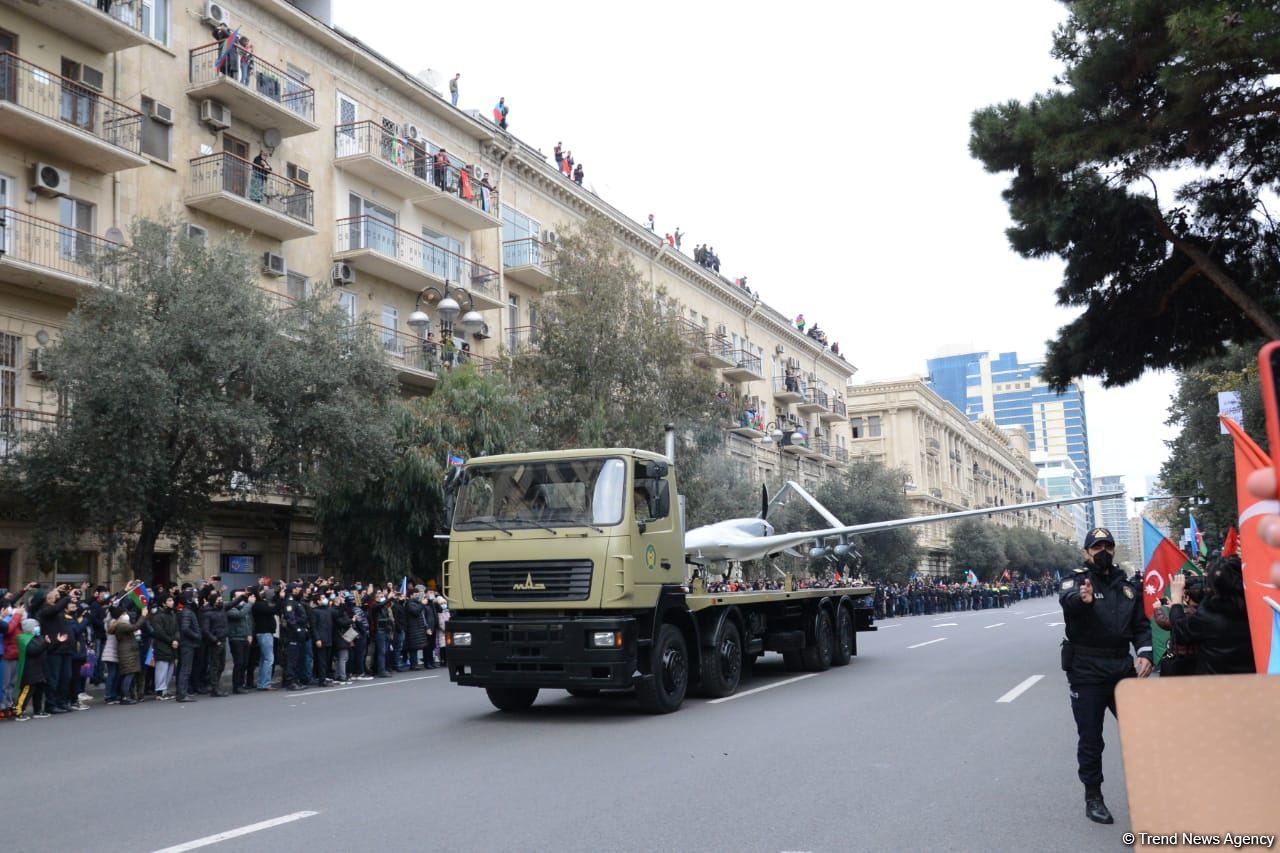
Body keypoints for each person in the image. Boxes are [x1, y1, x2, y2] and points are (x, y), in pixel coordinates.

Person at [1059, 527, 1152, 825]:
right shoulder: (1076, 581)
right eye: (1096, 547)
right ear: (1086, 553)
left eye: (1107, 547)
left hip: (1121, 669)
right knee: (1091, 738)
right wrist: (1082, 600)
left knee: (1140, 733)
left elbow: (1140, 626)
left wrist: (1145, 652)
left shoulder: (1127, 587)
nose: (1103, 552)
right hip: (1086, 670)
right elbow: (1069, 600)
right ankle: (1093, 797)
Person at [1166, 556, 1255, 674]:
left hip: (1216, 683)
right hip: (1254, 679)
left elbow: (1180, 631)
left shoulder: (1208, 616)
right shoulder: (1255, 610)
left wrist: (1176, 598)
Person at [112, 608, 144, 705]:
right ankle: (125, 696)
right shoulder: (121, 626)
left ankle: (127, 695)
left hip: (129, 652)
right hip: (127, 653)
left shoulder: (122, 625)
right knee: (129, 674)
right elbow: (135, 627)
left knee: (129, 674)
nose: (126, 615)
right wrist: (143, 616)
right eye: (124, 613)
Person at [176, 590, 202, 702]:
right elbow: (185, 628)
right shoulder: (187, 612)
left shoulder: (188, 611)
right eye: (194, 597)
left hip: (187, 643)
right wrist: (196, 635)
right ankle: (182, 694)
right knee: (185, 669)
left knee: (185, 669)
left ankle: (183, 692)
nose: (196, 599)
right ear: (189, 600)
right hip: (187, 644)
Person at [150, 594, 178, 700]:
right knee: (161, 669)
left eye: (172, 600)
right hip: (162, 646)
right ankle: (160, 691)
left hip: (172, 646)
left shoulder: (173, 614)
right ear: (163, 603)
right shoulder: (157, 616)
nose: (172, 602)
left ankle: (165, 690)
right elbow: (159, 632)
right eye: (169, 600)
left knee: (170, 669)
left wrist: (176, 639)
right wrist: (171, 640)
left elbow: (177, 629)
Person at [226, 590, 253, 694]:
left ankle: (241, 684)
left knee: (245, 663)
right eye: (240, 596)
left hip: (245, 637)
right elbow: (239, 615)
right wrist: (249, 604)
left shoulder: (245, 607)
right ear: (234, 598)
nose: (242, 598)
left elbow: (249, 622)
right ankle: (236, 686)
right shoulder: (230, 608)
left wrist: (249, 633)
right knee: (239, 662)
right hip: (236, 638)